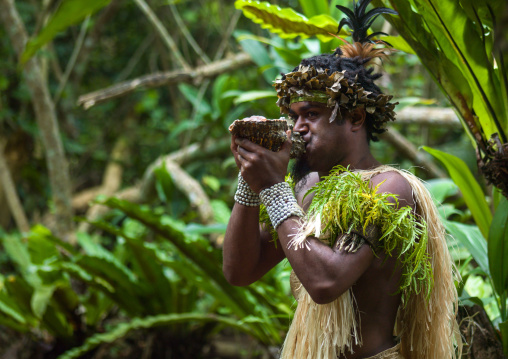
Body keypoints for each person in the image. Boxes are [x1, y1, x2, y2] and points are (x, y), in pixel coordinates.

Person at [223, 2, 459, 358]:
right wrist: (250, 180)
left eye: (311, 114)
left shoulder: (389, 189)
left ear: (355, 118)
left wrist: (273, 188)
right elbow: (239, 271)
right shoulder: (306, 193)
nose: (297, 127)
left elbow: (326, 281)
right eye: (292, 116)